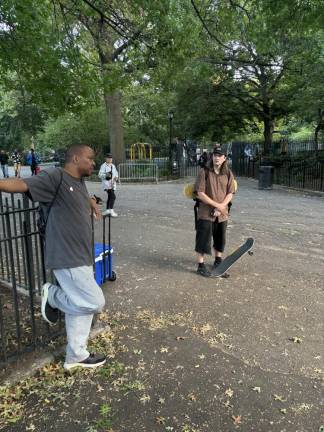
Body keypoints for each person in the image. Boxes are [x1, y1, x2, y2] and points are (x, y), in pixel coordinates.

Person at [0, 144, 106, 370]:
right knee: (95, 302)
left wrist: (91, 203)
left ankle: (76, 355)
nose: (93, 163)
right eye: (90, 158)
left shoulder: (78, 181)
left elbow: (79, 196)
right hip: (67, 255)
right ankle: (54, 296)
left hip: (82, 254)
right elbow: (20, 184)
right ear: (76, 158)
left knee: (82, 307)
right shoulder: (54, 176)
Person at [194, 147, 236, 277]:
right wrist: (217, 205)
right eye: (214, 155)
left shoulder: (228, 173)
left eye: (219, 155)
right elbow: (200, 193)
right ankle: (200, 265)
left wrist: (221, 207)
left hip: (222, 214)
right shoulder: (204, 172)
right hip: (206, 212)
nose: (216, 157)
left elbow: (231, 192)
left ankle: (218, 261)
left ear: (224, 158)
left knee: (220, 238)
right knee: (203, 238)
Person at [98, 153, 119, 217]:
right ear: (106, 158)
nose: (110, 159)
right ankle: (111, 210)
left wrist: (116, 177)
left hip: (112, 184)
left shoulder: (113, 166)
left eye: (111, 158)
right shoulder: (103, 166)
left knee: (110, 197)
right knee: (113, 196)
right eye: (108, 158)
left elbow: (116, 173)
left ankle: (107, 210)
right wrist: (106, 175)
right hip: (107, 185)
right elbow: (99, 175)